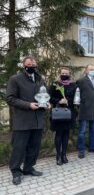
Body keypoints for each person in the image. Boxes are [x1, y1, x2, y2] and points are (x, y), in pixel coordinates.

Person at [6, 56, 50, 185]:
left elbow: (45, 96)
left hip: (38, 120)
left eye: (33, 64)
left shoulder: (40, 79)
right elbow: (10, 98)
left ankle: (28, 168)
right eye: (29, 64)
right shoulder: (15, 79)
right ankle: (16, 172)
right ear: (24, 65)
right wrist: (28, 105)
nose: (31, 66)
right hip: (23, 120)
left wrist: (48, 104)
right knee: (19, 148)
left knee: (34, 147)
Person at [49, 67, 77, 165]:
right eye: (63, 73)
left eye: (66, 73)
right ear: (59, 74)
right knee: (59, 134)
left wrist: (69, 101)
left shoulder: (73, 84)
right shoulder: (55, 84)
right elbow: (49, 97)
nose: (65, 75)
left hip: (69, 112)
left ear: (69, 74)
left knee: (66, 134)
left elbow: (76, 97)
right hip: (59, 113)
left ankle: (64, 155)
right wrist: (59, 101)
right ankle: (58, 156)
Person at [76, 64, 94, 159]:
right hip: (85, 109)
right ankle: (81, 150)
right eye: (91, 69)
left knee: (93, 129)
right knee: (82, 131)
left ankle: (92, 147)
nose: (93, 71)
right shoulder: (82, 80)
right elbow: (77, 92)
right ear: (86, 71)